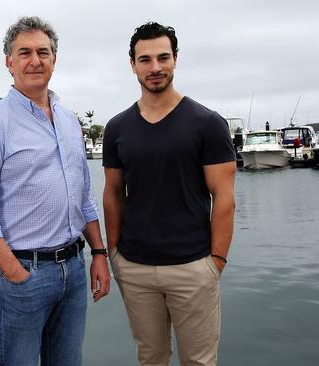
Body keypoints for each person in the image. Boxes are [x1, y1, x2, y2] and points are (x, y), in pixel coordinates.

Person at [0, 16, 111, 365]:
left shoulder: (70, 121)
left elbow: (82, 197)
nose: (35, 60)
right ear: (9, 61)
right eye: (24, 52)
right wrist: (15, 273)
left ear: (55, 59)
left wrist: (99, 254)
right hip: (25, 273)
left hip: (73, 268)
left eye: (43, 51)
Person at [102, 22, 236, 366]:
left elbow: (224, 197)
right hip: (135, 267)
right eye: (145, 59)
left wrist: (216, 262)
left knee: (199, 361)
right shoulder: (118, 128)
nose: (155, 67)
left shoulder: (207, 123)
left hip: (193, 266)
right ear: (132, 64)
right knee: (151, 358)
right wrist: (116, 254)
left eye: (163, 57)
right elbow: (113, 193)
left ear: (175, 59)